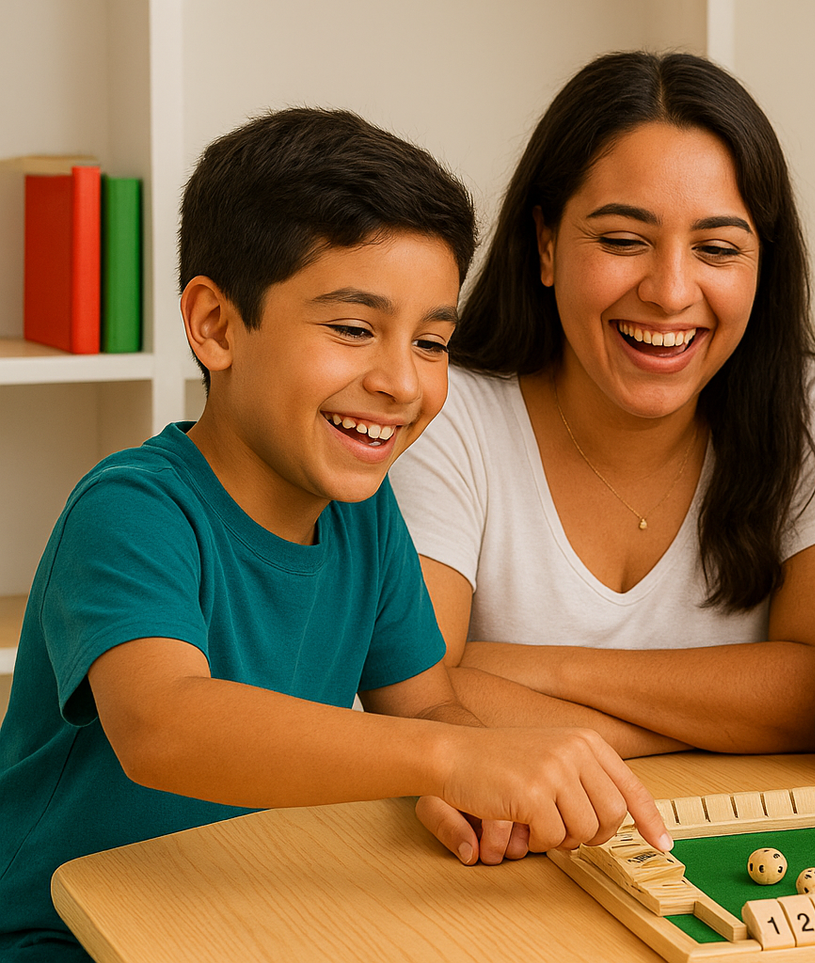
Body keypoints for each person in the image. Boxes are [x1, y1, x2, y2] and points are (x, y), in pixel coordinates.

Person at [0, 107, 668, 961]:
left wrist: (485, 775)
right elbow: (166, 723)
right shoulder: (131, 508)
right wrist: (442, 762)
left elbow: (426, 703)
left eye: (431, 341)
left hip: (240, 913)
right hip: (63, 934)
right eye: (353, 328)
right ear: (214, 325)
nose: (400, 380)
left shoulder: (364, 516)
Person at [389, 49, 815, 847]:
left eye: (718, 249)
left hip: (737, 843)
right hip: (503, 858)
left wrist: (531, 671)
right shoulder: (449, 414)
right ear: (546, 245)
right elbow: (413, 693)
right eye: (623, 239)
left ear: (763, 263)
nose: (669, 290)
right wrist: (714, 717)